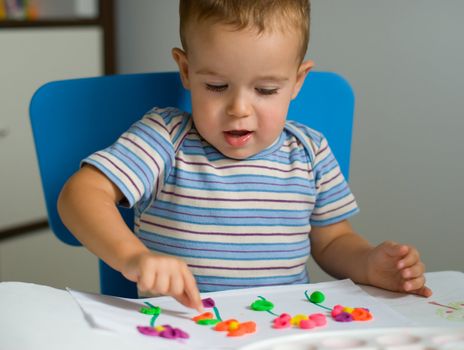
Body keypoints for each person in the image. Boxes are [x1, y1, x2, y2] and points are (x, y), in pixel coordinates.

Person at [58, 0, 431, 312]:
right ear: (186, 71)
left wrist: (368, 263)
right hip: (183, 329)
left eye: (266, 89)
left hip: (282, 329)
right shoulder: (166, 139)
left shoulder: (309, 151)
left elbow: (332, 242)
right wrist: (133, 257)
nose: (238, 108)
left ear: (297, 81)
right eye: (217, 86)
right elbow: (80, 196)